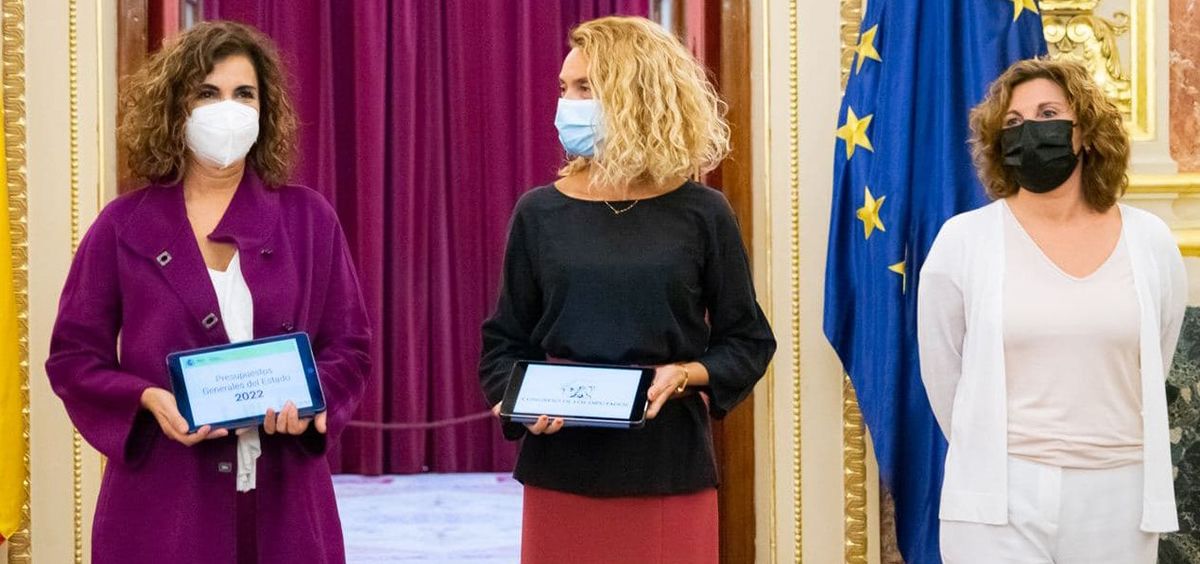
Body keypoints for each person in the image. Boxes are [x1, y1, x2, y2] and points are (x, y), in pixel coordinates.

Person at [45, 21, 370, 564]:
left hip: (287, 501)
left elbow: (350, 346)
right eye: (207, 93)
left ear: (265, 109)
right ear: (175, 109)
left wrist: (315, 402)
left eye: (244, 94)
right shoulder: (122, 226)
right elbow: (74, 358)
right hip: (163, 505)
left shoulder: (309, 218)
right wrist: (146, 398)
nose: (228, 110)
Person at [478, 16, 775, 564]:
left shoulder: (704, 212)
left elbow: (747, 341)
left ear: (635, 95)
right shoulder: (537, 212)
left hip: (666, 468)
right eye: (564, 89)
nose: (567, 104)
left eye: (585, 88)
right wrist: (518, 404)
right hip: (560, 467)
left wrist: (684, 373)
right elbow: (503, 344)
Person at [918, 58, 1186, 563]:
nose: (1030, 131)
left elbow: (1157, 352)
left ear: (1083, 131)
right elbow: (944, 371)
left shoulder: (1149, 241)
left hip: (1119, 493)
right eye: (1014, 122)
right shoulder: (964, 240)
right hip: (998, 498)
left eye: (1047, 114)